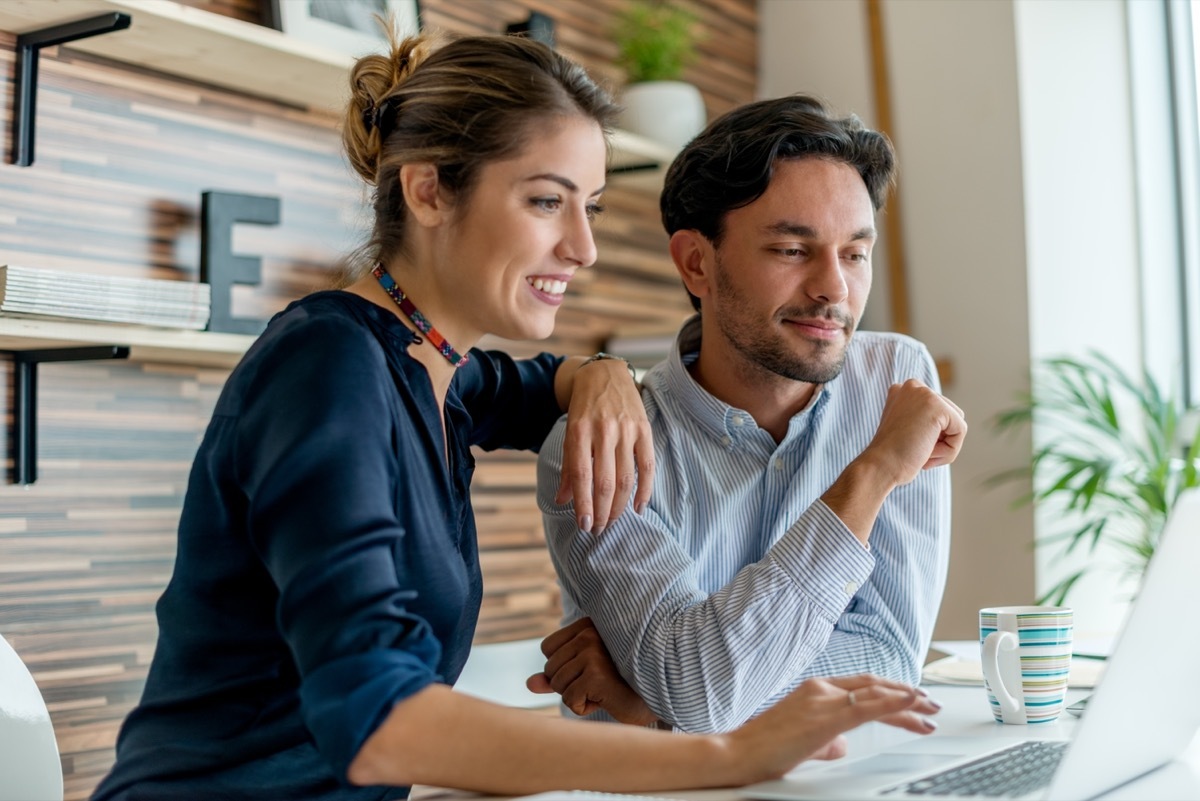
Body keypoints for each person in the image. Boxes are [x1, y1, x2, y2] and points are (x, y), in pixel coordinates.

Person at [90, 35, 940, 801]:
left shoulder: (440, 375)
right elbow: (380, 718)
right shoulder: (327, 366)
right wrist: (721, 750)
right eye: (546, 201)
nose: (583, 246)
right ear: (428, 191)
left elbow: (529, 383)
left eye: (592, 207)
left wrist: (594, 373)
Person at [531, 95, 967, 733]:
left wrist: (658, 704)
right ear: (696, 263)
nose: (834, 289)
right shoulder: (600, 444)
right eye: (793, 250)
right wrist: (871, 474)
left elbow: (891, 658)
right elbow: (700, 688)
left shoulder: (893, 385)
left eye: (854, 253)